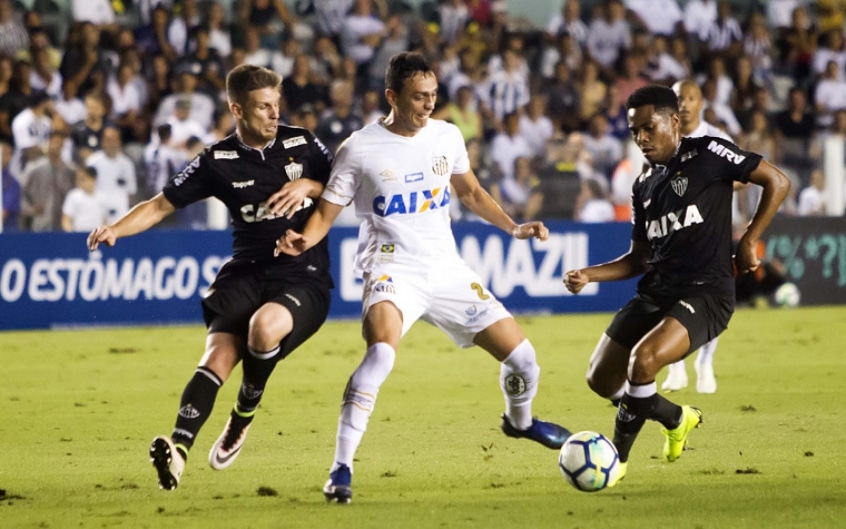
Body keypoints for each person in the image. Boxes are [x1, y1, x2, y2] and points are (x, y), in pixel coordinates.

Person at [277, 52, 572, 504]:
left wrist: (513, 226)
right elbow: (327, 213)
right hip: (392, 269)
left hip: (447, 270)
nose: (428, 105)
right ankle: (341, 467)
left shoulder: (447, 135)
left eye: (433, 95)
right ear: (392, 96)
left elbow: (470, 191)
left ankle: (521, 422)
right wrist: (304, 238)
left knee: (525, 360)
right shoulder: (360, 148)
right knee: (380, 358)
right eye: (419, 97)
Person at [86, 64, 335, 491]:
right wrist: (115, 228)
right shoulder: (217, 160)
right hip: (247, 271)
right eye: (263, 107)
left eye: (276, 106)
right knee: (216, 356)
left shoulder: (303, 142)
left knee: (264, 327)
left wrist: (309, 186)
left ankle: (242, 416)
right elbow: (161, 204)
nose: (274, 115)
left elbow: (344, 186)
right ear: (237, 109)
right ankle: (178, 451)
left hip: (302, 275)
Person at [563, 85, 789, 483]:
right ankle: (676, 418)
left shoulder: (708, 154)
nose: (641, 138)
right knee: (600, 378)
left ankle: (616, 460)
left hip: (707, 293)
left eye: (648, 128)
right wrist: (590, 274)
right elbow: (639, 259)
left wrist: (750, 240)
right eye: (634, 131)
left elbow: (777, 181)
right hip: (658, 290)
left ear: (673, 121)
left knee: (643, 361)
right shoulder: (643, 186)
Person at [661, 79, 735, 394]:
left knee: (710, 298)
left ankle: (705, 363)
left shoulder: (717, 137)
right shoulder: (664, 137)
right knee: (667, 295)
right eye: (680, 98)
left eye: (691, 98)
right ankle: (676, 366)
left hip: (712, 233)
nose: (686, 104)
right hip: (674, 232)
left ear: (701, 102)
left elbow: (745, 175)